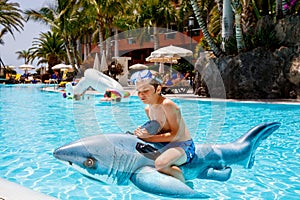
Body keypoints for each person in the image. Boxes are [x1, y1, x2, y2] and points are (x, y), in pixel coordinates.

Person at [133, 78, 195, 184]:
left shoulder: (167, 105)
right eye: (139, 92)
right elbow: (160, 130)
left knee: (161, 164)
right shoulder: (148, 109)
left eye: (146, 91)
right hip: (164, 144)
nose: (141, 95)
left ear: (158, 90)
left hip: (183, 145)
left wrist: (149, 138)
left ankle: (185, 187)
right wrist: (142, 132)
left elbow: (176, 135)